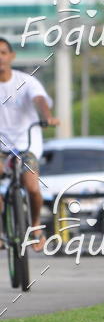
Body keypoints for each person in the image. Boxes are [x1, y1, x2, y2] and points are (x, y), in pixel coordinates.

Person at [0, 38, 58, 250]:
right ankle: (2, 229)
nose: (0, 58)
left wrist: (47, 116)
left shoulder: (26, 81)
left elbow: (39, 99)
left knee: (32, 187)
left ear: (11, 56)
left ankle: (35, 227)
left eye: (3, 53)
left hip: (26, 146)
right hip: (1, 148)